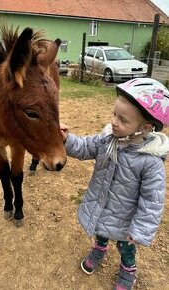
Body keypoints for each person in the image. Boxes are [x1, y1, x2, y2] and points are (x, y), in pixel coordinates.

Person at [60, 78, 169, 290]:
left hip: (126, 220)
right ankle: (99, 249)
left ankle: (128, 271)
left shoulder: (150, 161)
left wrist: (141, 229)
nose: (114, 122)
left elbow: (152, 201)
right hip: (101, 208)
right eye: (114, 114)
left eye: (123, 120)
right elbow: (84, 147)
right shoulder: (107, 139)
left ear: (145, 127)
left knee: (126, 248)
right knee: (100, 233)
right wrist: (66, 139)